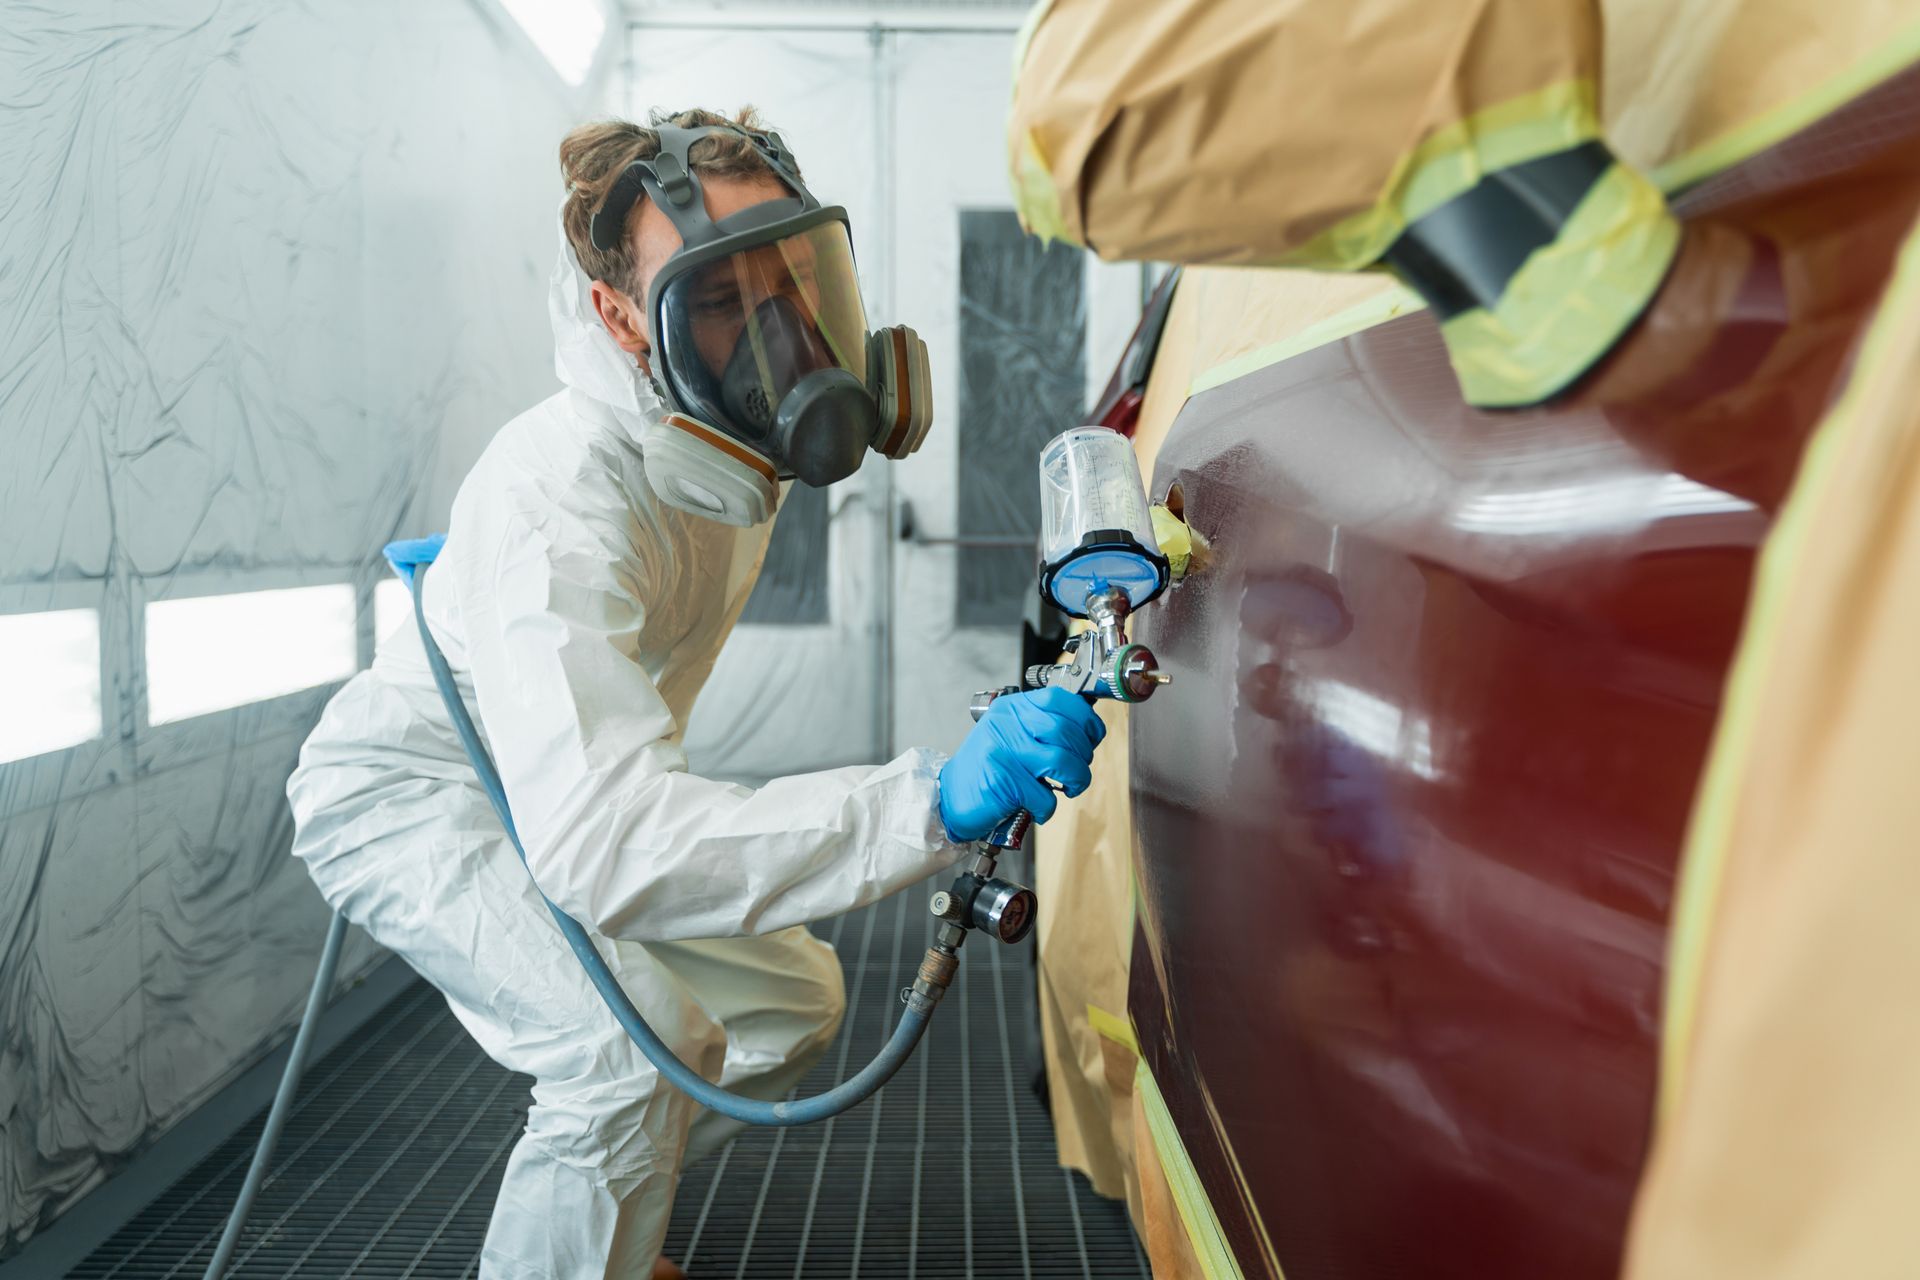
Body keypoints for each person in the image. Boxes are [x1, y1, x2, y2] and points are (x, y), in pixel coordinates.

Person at [285, 108, 1105, 1280]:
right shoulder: (562, 498)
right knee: (620, 1059)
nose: (783, 331)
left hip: (561, 785)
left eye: (793, 271)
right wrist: (932, 802)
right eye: (722, 301)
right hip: (424, 792)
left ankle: (606, 1223)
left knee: (795, 1002)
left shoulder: (716, 454)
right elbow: (606, 835)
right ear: (622, 321)